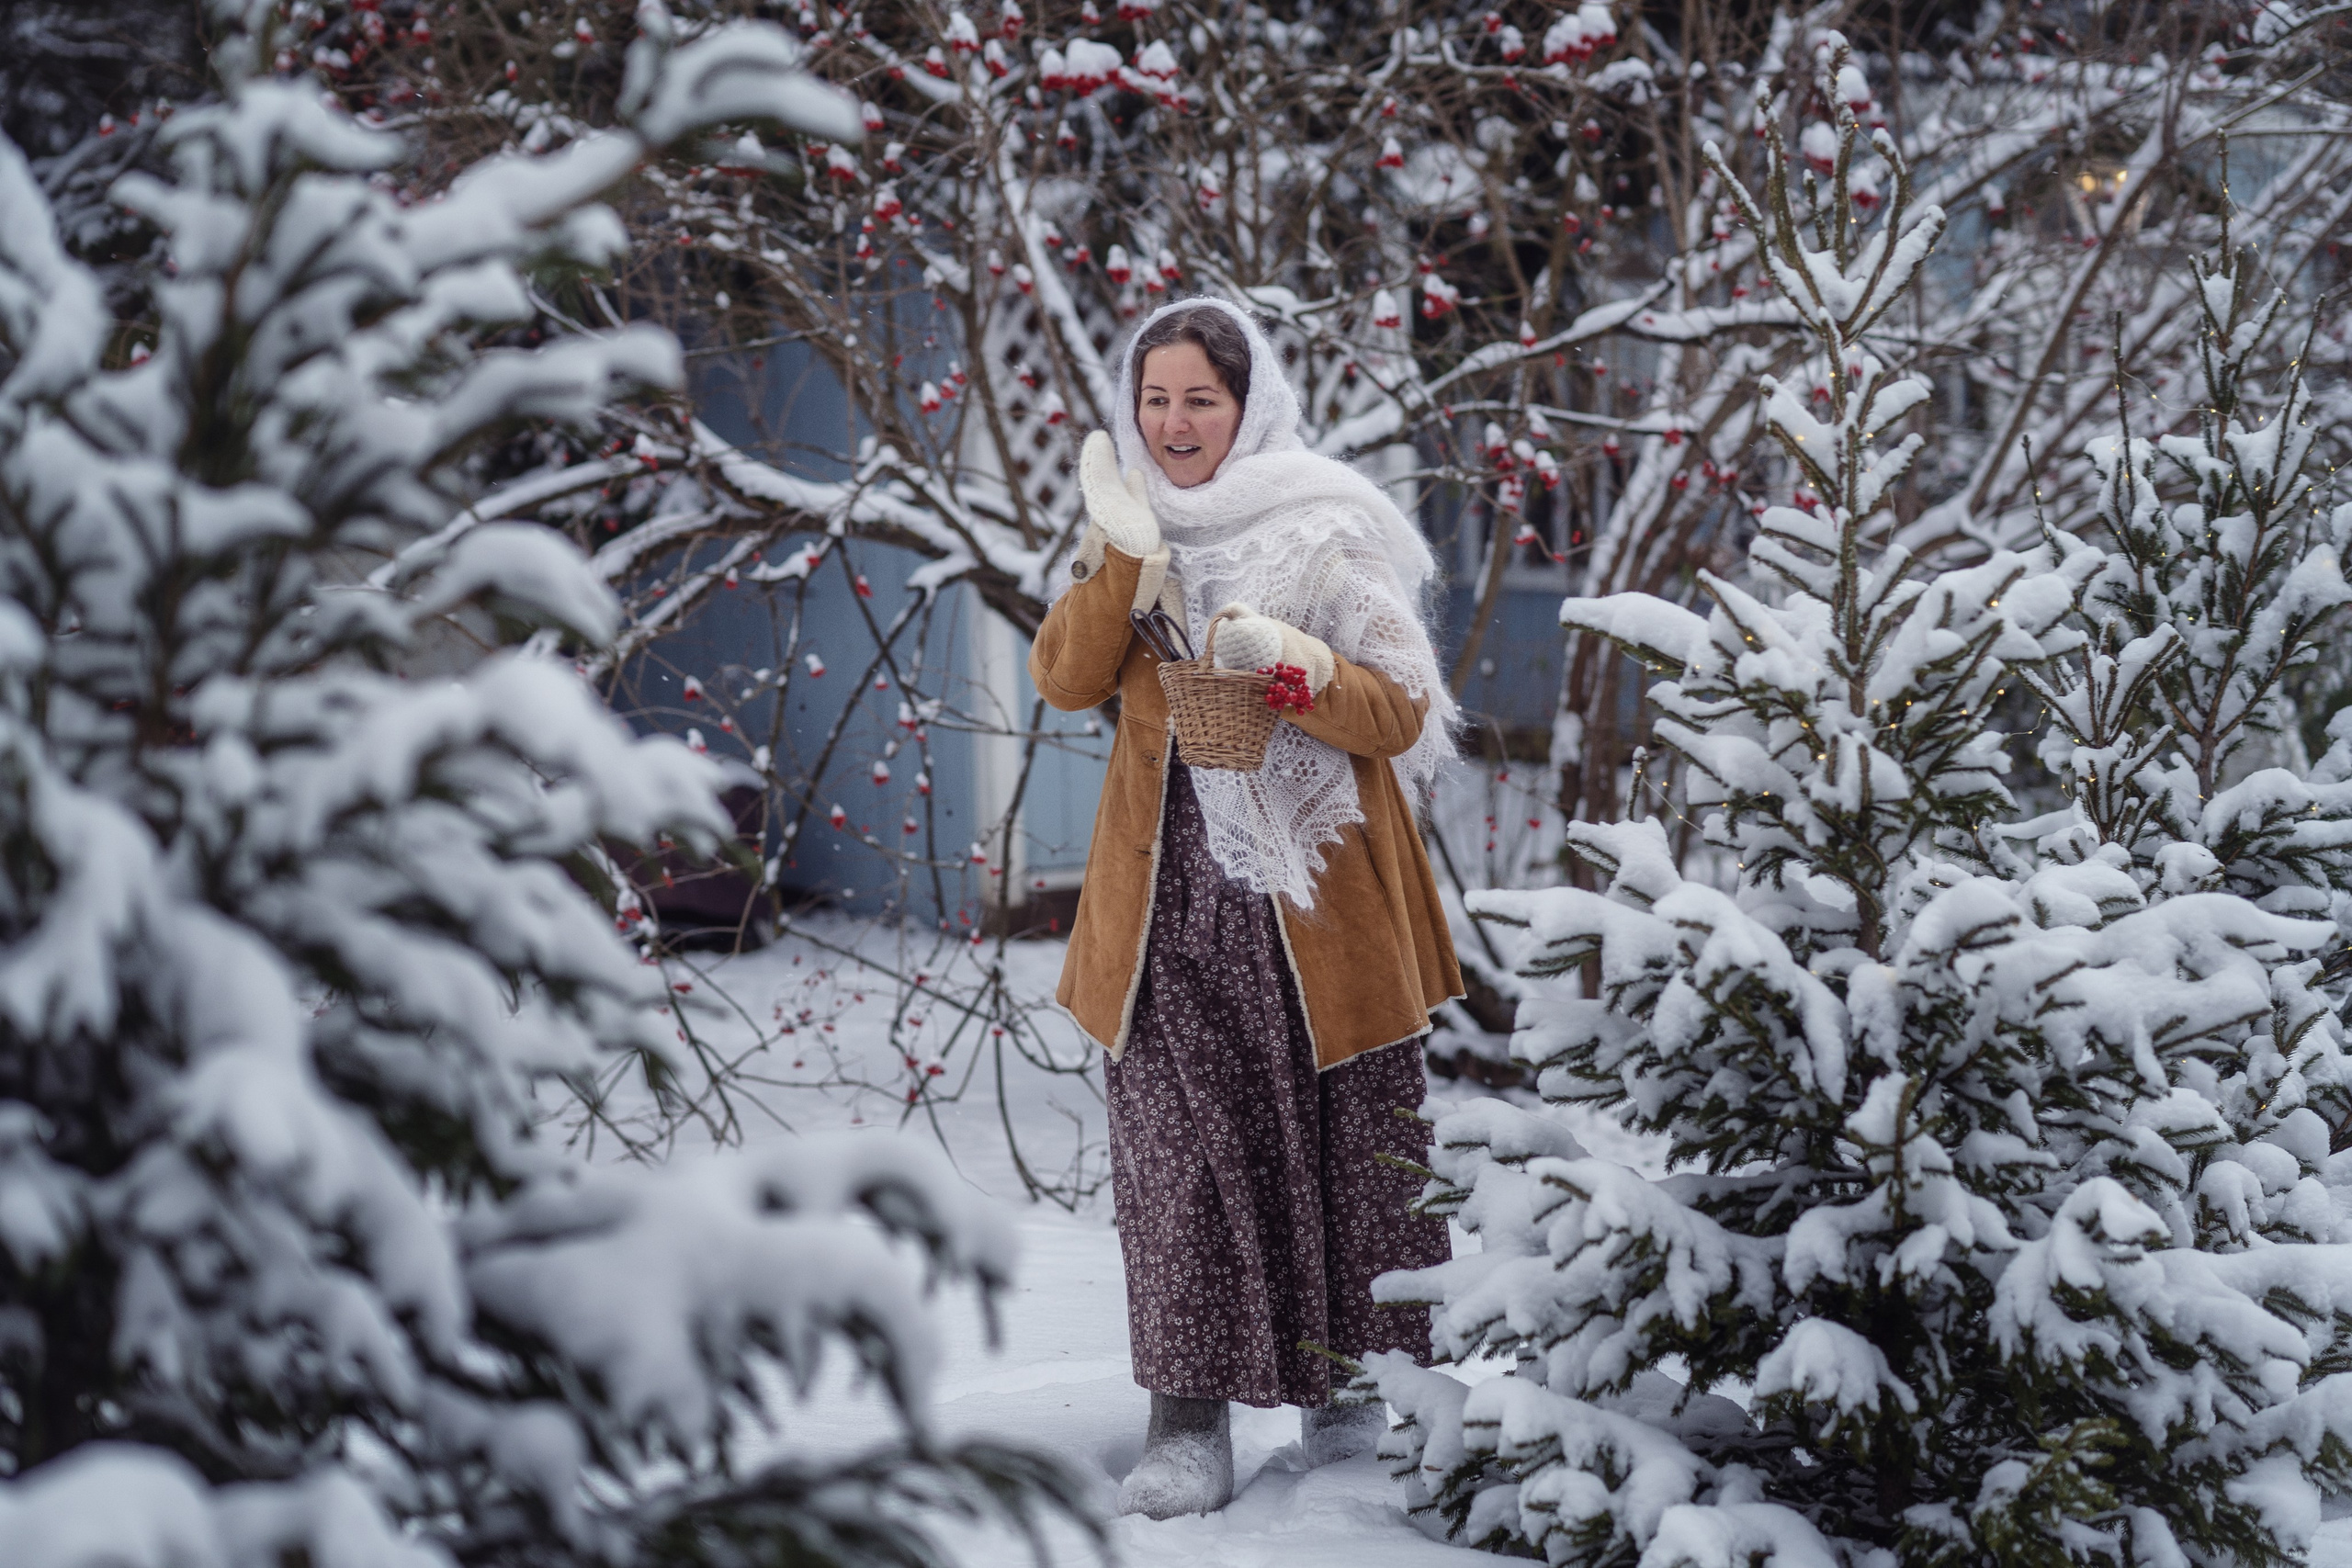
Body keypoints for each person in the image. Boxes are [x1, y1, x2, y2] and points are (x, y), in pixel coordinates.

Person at [1026, 299, 1465, 1519]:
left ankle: (1353, 1399)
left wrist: (1294, 670)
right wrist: (1124, 555)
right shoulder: (1127, 530)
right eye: (1155, 398)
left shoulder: (1326, 531)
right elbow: (1065, 678)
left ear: (1246, 403)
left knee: (1347, 1151)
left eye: (1199, 400)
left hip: (1317, 907)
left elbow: (1398, 711)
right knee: (1178, 1162)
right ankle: (1186, 1427)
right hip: (1162, 909)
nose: (1174, 424)